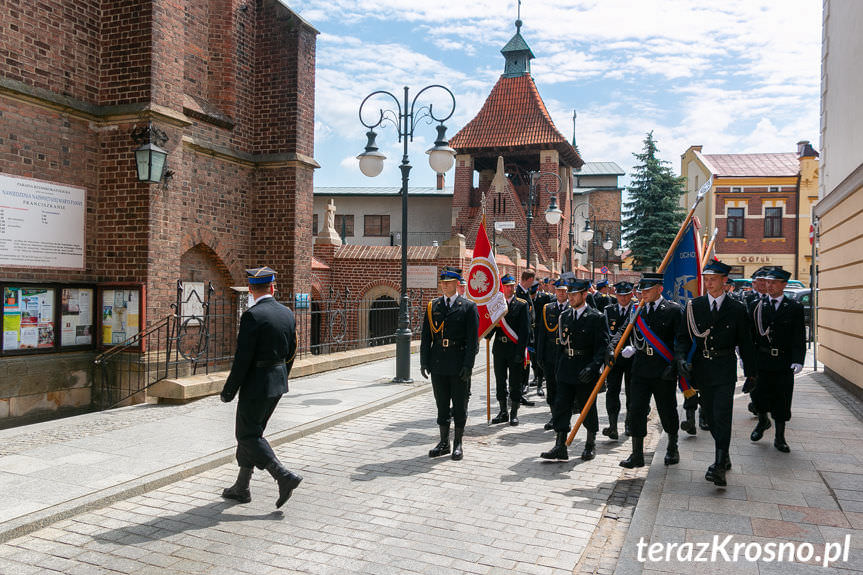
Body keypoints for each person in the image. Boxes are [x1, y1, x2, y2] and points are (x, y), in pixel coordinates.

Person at [220, 266, 301, 508]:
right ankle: (241, 487)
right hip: (277, 383)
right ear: (272, 287)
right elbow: (292, 351)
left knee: (247, 434)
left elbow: (242, 359)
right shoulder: (286, 313)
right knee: (253, 434)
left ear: (251, 289)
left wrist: (229, 390)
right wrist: (282, 376)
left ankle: (283, 476)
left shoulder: (252, 316)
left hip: (256, 384)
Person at [676, 260, 757, 487]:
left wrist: (751, 374)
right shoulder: (694, 306)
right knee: (710, 417)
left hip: (724, 368)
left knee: (722, 415)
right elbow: (683, 338)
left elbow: (746, 344)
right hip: (702, 369)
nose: (709, 283)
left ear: (724, 281)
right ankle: (724, 452)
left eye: (713, 279)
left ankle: (719, 464)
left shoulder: (737, 309)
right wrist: (681, 359)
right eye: (706, 279)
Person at [618, 272, 683, 469]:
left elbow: (680, 340)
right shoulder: (638, 310)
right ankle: (637, 454)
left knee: (667, 410)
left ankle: (672, 446)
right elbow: (624, 331)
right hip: (640, 368)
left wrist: (675, 365)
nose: (643, 294)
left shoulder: (673, 310)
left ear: (659, 289)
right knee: (636, 410)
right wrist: (614, 347)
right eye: (641, 290)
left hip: (663, 371)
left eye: (647, 290)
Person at [540, 278, 609, 461]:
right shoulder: (565, 316)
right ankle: (560, 445)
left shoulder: (596, 317)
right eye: (568, 294)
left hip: (585, 369)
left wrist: (593, 368)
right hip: (566, 369)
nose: (570, 298)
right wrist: (557, 368)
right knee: (561, 407)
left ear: (584, 295)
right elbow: (560, 345)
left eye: (573, 294)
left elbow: (602, 347)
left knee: (588, 408)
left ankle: (590, 443)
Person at [420, 266, 480, 460]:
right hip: (438, 363)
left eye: (448, 283)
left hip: (458, 362)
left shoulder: (468, 307)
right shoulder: (433, 306)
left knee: (460, 405)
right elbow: (426, 337)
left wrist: (468, 366)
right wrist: (424, 361)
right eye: (442, 283)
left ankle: (458, 443)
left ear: (457, 284)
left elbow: (473, 341)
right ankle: (444, 442)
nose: (444, 286)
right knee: (442, 404)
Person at [749, 267, 805, 453]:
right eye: (767, 282)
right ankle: (763, 421)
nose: (769, 286)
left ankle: (780, 437)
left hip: (783, 360)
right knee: (758, 396)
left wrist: (798, 359)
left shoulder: (794, 307)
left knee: (782, 399)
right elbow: (751, 334)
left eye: (774, 282)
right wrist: (747, 358)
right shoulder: (757, 305)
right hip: (762, 359)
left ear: (783, 284)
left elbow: (798, 335)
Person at [488, 274, 531, 425]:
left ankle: (514, 412)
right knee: (500, 381)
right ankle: (503, 411)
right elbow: (492, 327)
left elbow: (525, 331)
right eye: (507, 286)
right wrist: (486, 334)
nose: (510, 288)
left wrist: (520, 352)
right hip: (499, 348)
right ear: (502, 288)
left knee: (515, 382)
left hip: (514, 349)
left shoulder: (522, 304)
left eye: (512, 286)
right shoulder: (497, 305)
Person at [536, 276, 570, 431]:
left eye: (564, 291)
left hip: (566, 355)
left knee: (565, 388)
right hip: (550, 354)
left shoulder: (572, 308)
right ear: (555, 291)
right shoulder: (548, 308)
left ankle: (565, 418)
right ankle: (554, 417)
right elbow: (541, 333)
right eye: (559, 290)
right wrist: (539, 355)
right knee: (551, 387)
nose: (561, 294)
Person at [602, 281, 635, 440]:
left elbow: (641, 333)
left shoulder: (638, 309)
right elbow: (606, 334)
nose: (623, 298)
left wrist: (633, 347)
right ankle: (612, 425)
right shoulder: (609, 310)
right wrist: (609, 350)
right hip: (613, 358)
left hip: (632, 358)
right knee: (612, 391)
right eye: (620, 295)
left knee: (631, 392)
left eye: (626, 295)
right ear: (616, 295)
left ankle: (629, 423)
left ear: (631, 294)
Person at [515, 270, 537, 407]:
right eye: (532, 280)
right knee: (522, 365)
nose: (533, 283)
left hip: (528, 335)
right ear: (528, 279)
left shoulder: (525, 292)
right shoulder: (518, 292)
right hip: (520, 336)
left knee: (526, 363)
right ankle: (519, 392)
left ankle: (522, 390)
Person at [531, 280, 554, 397]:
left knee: (540, 357)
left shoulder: (544, 297)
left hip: (541, 332)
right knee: (532, 358)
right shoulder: (526, 298)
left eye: (533, 294)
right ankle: (534, 377)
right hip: (530, 332)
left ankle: (540, 384)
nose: (532, 297)